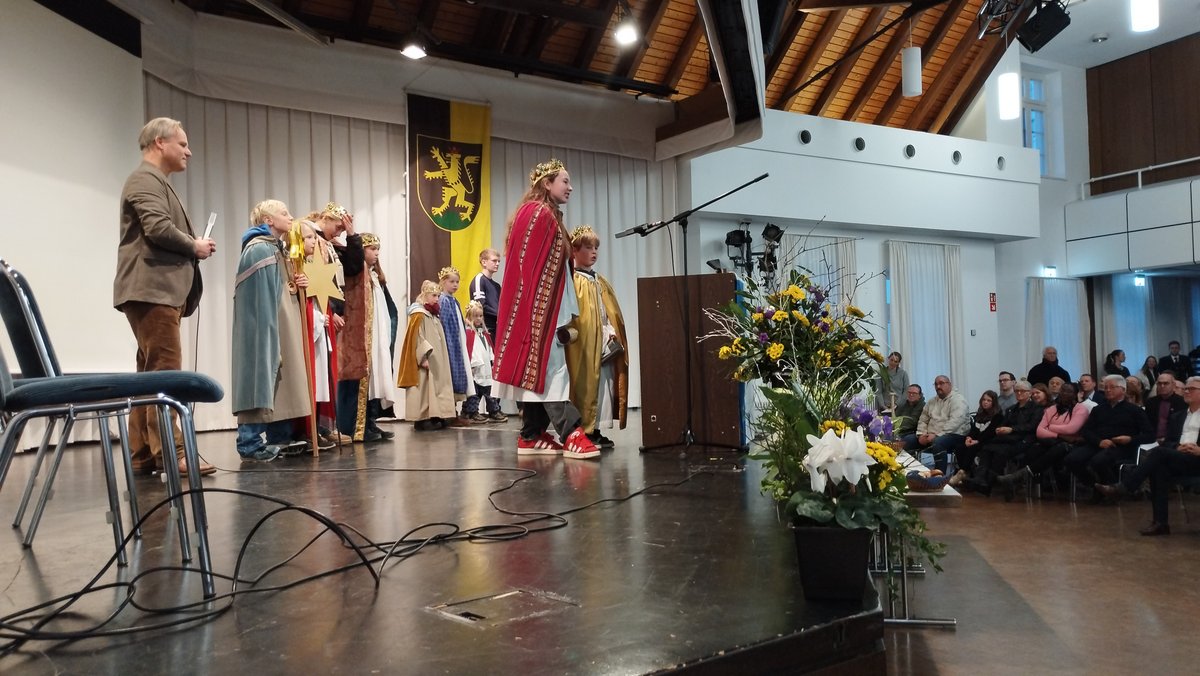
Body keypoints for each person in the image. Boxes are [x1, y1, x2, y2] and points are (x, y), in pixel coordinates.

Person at [114, 117, 217, 477]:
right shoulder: (145, 179)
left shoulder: (154, 181)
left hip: (153, 291)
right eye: (182, 144)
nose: (189, 152)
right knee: (165, 372)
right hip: (152, 290)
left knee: (149, 372)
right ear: (160, 142)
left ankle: (142, 453)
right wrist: (194, 245)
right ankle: (173, 452)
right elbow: (157, 227)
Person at [493, 158, 599, 459]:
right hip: (538, 312)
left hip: (542, 310)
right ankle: (571, 432)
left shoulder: (544, 213)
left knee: (543, 372)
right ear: (547, 183)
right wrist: (539, 314)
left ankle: (531, 434)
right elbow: (531, 270)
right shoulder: (538, 213)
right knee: (552, 371)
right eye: (565, 181)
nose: (570, 187)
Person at [231, 200, 313, 461]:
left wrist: (298, 282)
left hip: (280, 321)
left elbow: (282, 288)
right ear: (268, 220)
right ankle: (250, 443)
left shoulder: (277, 248)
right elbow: (260, 297)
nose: (290, 217)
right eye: (284, 213)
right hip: (265, 324)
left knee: (281, 378)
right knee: (260, 375)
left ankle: (280, 436)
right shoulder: (258, 249)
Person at [1096, 376, 1200, 535]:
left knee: (1158, 453)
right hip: (1181, 457)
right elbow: (1169, 442)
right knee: (1159, 468)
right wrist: (1177, 447)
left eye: (1191, 389)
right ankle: (1160, 523)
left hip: (1198, 458)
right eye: (1185, 389)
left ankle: (1124, 487)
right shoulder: (1178, 416)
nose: (1186, 392)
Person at [564, 225, 629, 449]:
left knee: (604, 386)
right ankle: (584, 430)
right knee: (585, 383)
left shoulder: (599, 280)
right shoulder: (574, 281)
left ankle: (596, 428)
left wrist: (611, 331)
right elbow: (576, 318)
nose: (594, 252)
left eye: (596, 248)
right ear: (574, 250)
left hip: (604, 341)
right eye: (588, 247)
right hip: (584, 343)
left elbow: (607, 312)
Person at [336, 232, 398, 442]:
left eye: (378, 249)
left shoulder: (375, 277)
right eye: (372, 249)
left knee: (375, 378)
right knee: (363, 380)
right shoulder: (356, 276)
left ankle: (370, 421)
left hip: (377, 336)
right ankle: (357, 426)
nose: (377, 253)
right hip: (362, 336)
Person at [1064, 374, 1153, 494]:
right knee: (1071, 459)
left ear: (1123, 390)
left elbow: (1150, 435)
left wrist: (1130, 439)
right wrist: (1099, 441)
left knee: (1099, 461)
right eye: (1105, 387)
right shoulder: (1098, 409)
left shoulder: (1135, 410)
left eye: (1112, 387)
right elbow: (1086, 431)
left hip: (1121, 447)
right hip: (1098, 444)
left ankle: (1113, 489)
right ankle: (1095, 487)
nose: (1107, 390)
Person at [968, 379, 1043, 498]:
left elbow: (1032, 426)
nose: (1019, 393)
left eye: (1022, 391)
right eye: (1017, 391)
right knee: (987, 447)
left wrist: (1012, 429)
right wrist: (1000, 429)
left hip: (1024, 439)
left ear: (1029, 393)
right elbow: (1003, 423)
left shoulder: (1037, 408)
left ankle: (989, 483)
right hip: (1007, 438)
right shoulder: (1011, 409)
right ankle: (980, 478)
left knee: (1000, 451)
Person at [397, 281, 456, 431]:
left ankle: (437, 415)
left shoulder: (432, 315)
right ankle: (422, 418)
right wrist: (422, 357)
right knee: (424, 388)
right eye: (434, 295)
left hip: (436, 359)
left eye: (438, 296)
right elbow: (417, 337)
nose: (437, 299)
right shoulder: (418, 314)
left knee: (436, 385)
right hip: (425, 359)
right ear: (425, 295)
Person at [901, 375, 969, 473]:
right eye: (936, 384)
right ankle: (909, 473)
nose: (938, 386)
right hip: (930, 435)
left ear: (949, 384)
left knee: (938, 442)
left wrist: (936, 435)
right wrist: (921, 434)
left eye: (941, 383)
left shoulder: (958, 400)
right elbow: (923, 420)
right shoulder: (932, 401)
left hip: (954, 435)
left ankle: (939, 476)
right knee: (907, 440)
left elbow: (955, 422)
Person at [437, 266, 475, 425]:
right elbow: (443, 324)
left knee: (457, 375)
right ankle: (448, 414)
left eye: (457, 282)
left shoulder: (454, 301)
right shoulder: (443, 300)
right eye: (451, 281)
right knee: (449, 376)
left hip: (457, 343)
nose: (455, 285)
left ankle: (453, 412)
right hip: (450, 343)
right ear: (443, 282)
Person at [461, 301, 506, 423]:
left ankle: (493, 411)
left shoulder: (484, 333)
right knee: (475, 393)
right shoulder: (469, 333)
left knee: (489, 390)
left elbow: (489, 348)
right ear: (469, 316)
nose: (479, 318)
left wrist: (492, 360)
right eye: (475, 316)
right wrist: (472, 364)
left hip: (485, 368)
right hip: (476, 368)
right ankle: (470, 412)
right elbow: (471, 350)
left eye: (481, 316)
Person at [949, 390, 1001, 488]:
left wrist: (977, 441)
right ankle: (965, 473)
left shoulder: (998, 416)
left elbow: (990, 433)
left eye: (989, 400)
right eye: (984, 400)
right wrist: (969, 438)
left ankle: (962, 472)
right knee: (960, 447)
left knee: (973, 448)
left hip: (989, 441)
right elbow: (973, 430)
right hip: (976, 440)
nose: (985, 402)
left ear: (993, 402)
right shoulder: (980, 414)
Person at [469, 248, 502, 338]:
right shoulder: (479, 280)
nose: (497, 264)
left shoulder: (497, 286)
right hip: (484, 328)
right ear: (484, 262)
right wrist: (500, 315)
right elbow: (480, 305)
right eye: (494, 261)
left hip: (496, 328)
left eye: (499, 261)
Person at [1144, 372, 1185, 443]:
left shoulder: (1182, 403)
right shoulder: (1150, 402)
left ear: (1173, 385)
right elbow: (1147, 424)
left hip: (1174, 441)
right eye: (1159, 383)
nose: (1162, 386)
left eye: (1166, 383)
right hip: (1151, 440)